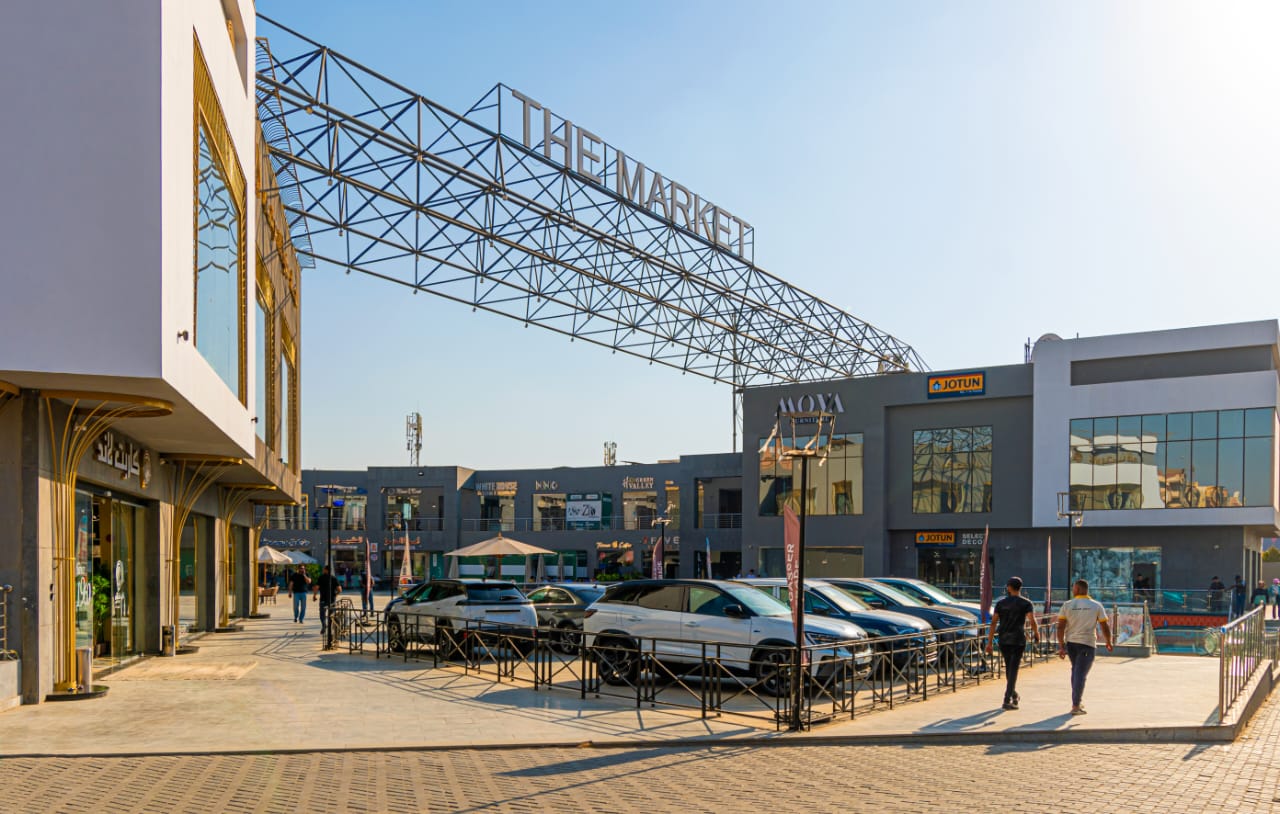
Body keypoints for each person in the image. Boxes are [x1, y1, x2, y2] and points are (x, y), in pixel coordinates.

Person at [1056, 579, 1113, 716]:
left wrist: (1061, 645)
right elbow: (1104, 626)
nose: (1073, 590)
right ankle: (1076, 705)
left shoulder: (1067, 605)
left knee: (1076, 671)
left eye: (1074, 588)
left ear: (1078, 589)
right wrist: (1108, 641)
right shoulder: (1096, 606)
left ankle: (1077, 701)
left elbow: (1060, 626)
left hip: (1071, 644)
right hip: (1087, 644)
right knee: (1080, 674)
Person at [985, 576, 1040, 710]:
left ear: (1009, 587)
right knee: (1013, 669)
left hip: (1003, 639)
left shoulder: (1001, 604)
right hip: (1018, 639)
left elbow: (993, 623)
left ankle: (1013, 695)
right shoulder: (1026, 603)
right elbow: (1032, 621)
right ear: (1020, 587)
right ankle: (1007, 699)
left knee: (1010, 669)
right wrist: (1036, 634)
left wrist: (989, 642)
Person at [314, 565, 342, 636]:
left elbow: (316, 587)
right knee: (331, 614)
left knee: (322, 614)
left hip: (323, 599)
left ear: (326, 570)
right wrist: (335, 595)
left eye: (324, 569)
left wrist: (314, 595)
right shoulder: (334, 578)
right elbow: (339, 589)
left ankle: (324, 625)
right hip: (332, 600)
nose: (323, 570)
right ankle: (330, 627)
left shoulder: (321, 577)